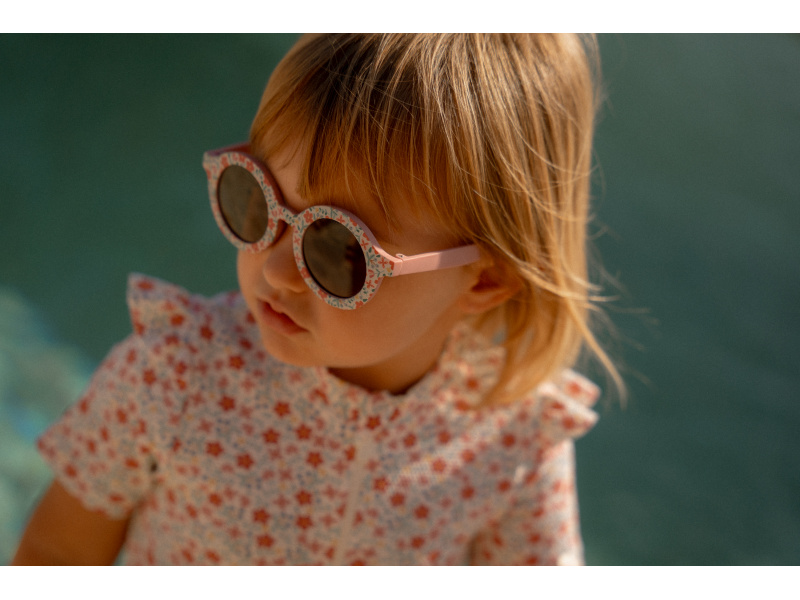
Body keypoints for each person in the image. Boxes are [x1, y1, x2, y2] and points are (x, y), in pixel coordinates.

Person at [13, 33, 621, 566]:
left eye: (337, 247)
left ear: (483, 280)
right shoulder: (175, 375)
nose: (276, 270)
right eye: (254, 199)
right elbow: (59, 555)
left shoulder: (510, 437)